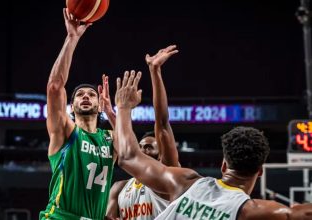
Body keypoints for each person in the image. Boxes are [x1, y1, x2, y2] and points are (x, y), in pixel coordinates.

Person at [113, 71, 312, 220]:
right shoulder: (249, 211)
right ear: (260, 171)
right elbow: (298, 213)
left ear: (224, 164)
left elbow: (128, 157)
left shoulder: (185, 182)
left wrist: (123, 108)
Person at [39, 9, 116, 220]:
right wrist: (72, 38)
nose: (85, 96)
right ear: (71, 107)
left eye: (91, 94)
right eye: (79, 95)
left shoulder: (109, 139)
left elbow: (131, 149)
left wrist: (111, 113)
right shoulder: (66, 132)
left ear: (99, 105)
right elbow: (55, 87)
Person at [106, 46, 180, 219]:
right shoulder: (120, 187)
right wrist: (112, 114)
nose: (142, 150)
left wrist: (155, 71)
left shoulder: (168, 176)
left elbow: (162, 124)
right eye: (140, 147)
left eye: (148, 148)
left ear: (160, 153)